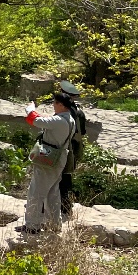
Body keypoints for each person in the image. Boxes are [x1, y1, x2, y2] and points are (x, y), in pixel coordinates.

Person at [21, 92, 77, 233]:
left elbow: (35, 121)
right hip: (59, 158)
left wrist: (30, 109)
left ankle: (32, 225)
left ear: (61, 105)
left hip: (49, 158)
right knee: (52, 193)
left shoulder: (58, 121)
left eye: (55, 103)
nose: (53, 105)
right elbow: (46, 119)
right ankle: (53, 224)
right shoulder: (70, 120)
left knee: (36, 191)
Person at [56, 81, 88, 216]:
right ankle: (65, 206)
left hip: (64, 148)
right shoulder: (79, 111)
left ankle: (63, 207)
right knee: (66, 178)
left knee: (60, 178)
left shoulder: (65, 113)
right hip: (74, 148)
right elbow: (83, 132)